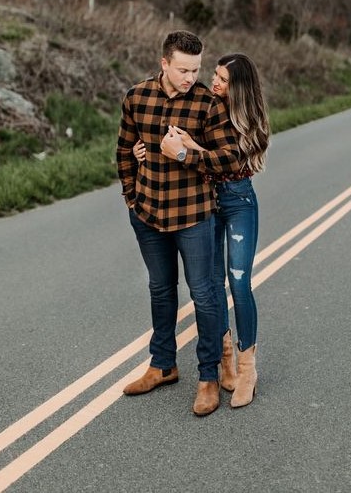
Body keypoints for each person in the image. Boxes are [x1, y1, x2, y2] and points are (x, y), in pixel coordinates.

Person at [134, 52, 270, 408]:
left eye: (223, 79)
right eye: (215, 75)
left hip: (238, 202)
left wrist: (190, 150)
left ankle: (247, 367)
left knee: (238, 281)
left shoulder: (250, 119)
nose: (214, 81)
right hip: (205, 202)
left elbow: (230, 159)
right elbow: (176, 143)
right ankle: (224, 360)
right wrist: (145, 151)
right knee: (210, 285)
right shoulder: (205, 105)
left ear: (238, 88)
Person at [116, 30, 241, 416]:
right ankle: (163, 365)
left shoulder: (206, 103)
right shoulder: (137, 97)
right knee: (160, 290)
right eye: (183, 69)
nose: (191, 77)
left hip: (193, 215)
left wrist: (186, 154)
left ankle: (207, 377)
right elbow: (123, 150)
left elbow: (231, 159)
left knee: (203, 294)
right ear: (164, 63)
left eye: (196, 69)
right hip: (149, 213)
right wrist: (132, 198)